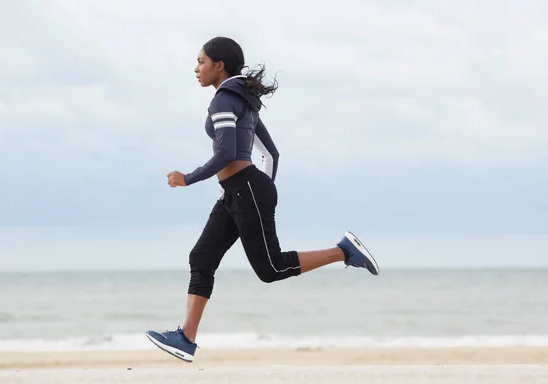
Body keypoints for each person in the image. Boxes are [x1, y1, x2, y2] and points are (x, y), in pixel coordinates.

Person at [145, 36, 380, 363]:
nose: (196, 68)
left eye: (201, 61)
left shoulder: (225, 100)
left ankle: (344, 251)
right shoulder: (242, 99)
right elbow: (270, 154)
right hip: (238, 193)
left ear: (219, 65)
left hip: (245, 191)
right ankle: (186, 338)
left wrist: (190, 178)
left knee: (271, 268)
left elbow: (227, 152)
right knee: (201, 258)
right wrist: (251, 192)